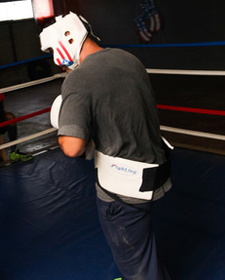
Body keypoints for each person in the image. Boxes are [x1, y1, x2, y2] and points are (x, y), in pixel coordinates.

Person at [41, 12, 172, 280]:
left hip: (123, 188)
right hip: (156, 172)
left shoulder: (78, 78)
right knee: (144, 250)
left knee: (136, 265)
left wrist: (64, 124)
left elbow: (72, 147)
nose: (60, 64)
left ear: (65, 41)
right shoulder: (128, 59)